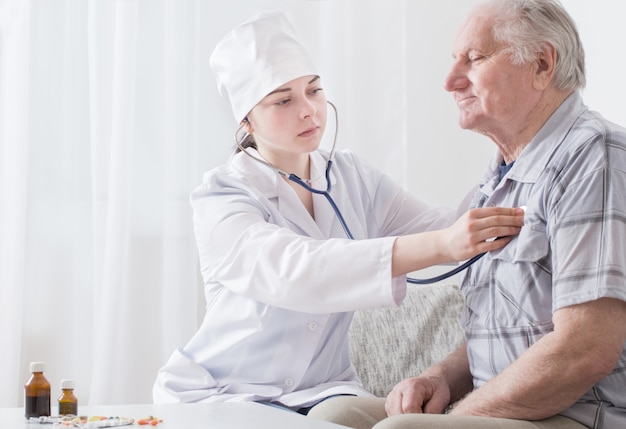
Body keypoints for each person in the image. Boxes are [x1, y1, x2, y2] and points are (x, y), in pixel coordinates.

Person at [152, 10, 524, 417]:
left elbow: (448, 226)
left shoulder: (349, 175)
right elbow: (299, 270)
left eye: (313, 90)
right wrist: (442, 245)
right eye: (284, 100)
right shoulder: (221, 197)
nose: (309, 110)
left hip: (324, 391)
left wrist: (508, 147)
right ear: (246, 119)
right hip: (225, 391)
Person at [312, 0, 626, 428]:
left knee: (401, 428)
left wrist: (458, 415)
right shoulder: (499, 177)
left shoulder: (595, 158)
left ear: (541, 63)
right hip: (502, 406)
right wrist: (439, 377)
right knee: (334, 416)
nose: (450, 81)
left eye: (474, 58)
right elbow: (505, 331)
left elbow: (584, 350)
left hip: (580, 414)